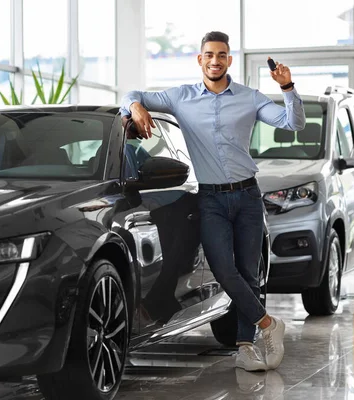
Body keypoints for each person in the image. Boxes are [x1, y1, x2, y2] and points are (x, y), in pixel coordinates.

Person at [119, 31, 306, 372]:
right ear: (200, 59)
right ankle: (268, 324)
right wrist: (136, 107)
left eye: (222, 54)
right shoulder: (180, 98)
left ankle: (245, 346)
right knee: (223, 269)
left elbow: (293, 123)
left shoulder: (249, 97)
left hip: (248, 195)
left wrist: (287, 87)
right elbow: (132, 94)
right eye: (210, 54)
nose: (216, 60)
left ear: (229, 59)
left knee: (248, 273)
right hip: (210, 200)